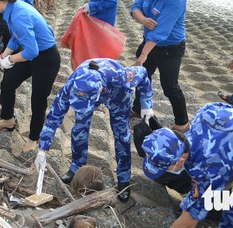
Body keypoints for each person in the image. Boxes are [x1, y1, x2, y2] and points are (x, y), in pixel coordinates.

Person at [36, 59, 154, 202]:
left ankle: (123, 177)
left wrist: (146, 104)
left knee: (122, 135)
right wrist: (42, 150)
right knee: (79, 129)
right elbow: (54, 118)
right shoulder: (71, 86)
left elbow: (143, 73)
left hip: (118, 95)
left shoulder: (119, 75)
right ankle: (77, 167)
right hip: (91, 95)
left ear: (99, 90)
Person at [0, 0, 60, 152]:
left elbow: (32, 51)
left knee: (38, 99)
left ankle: (33, 138)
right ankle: (8, 119)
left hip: (46, 58)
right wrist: (1, 57)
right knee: (8, 83)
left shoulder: (19, 14)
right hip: (31, 53)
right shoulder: (11, 9)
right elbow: (16, 38)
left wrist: (10, 60)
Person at [131, 0, 188, 132]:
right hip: (149, 42)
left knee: (170, 86)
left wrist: (143, 55)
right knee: (142, 77)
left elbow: (160, 33)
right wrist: (143, 19)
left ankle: (182, 122)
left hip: (170, 48)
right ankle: (137, 108)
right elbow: (135, 8)